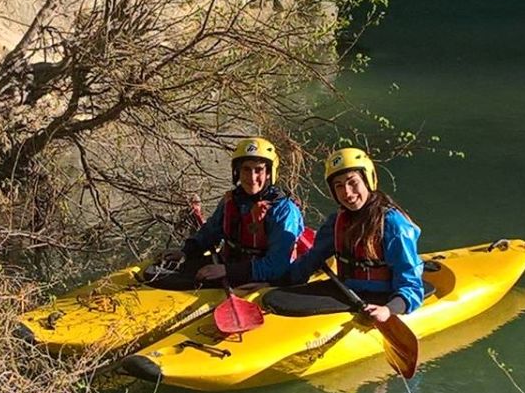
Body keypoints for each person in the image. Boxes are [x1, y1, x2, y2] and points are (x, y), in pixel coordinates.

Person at [266, 147, 423, 325]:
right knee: (275, 298)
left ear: (368, 180)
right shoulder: (337, 221)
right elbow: (311, 260)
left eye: (352, 182)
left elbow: (411, 284)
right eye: (339, 186)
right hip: (347, 291)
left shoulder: (393, 224)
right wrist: (273, 282)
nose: (347, 192)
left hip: (384, 298)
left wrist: (389, 309)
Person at [146, 137, 304, 290]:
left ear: (269, 173)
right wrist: (186, 252)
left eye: (259, 170)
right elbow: (211, 231)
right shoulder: (233, 199)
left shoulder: (284, 210)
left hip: (261, 274)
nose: (252, 177)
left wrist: (227, 271)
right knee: (153, 273)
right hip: (229, 265)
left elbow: (278, 264)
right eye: (246, 169)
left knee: (173, 281)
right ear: (238, 172)